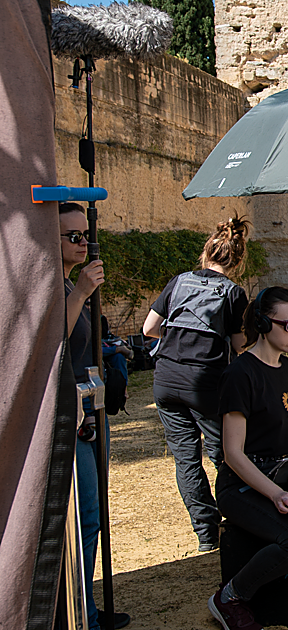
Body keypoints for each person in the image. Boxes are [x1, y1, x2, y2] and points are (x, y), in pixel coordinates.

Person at [208, 287, 288, 630]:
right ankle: (230, 597)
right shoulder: (240, 374)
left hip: (284, 474)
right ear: (264, 324)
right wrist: (275, 494)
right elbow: (232, 454)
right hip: (242, 485)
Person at [141, 216, 251, 552]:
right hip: (204, 381)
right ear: (238, 261)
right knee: (225, 454)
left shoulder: (179, 282)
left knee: (186, 459)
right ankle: (238, 519)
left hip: (166, 378)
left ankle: (205, 534)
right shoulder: (233, 292)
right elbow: (238, 344)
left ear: (207, 253)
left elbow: (149, 329)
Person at [59, 203, 131, 630]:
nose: (84, 242)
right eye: (73, 236)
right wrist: (83, 293)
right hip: (68, 415)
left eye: (86, 234)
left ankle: (83, 605)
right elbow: (51, 339)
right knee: (85, 516)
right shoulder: (56, 285)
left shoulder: (70, 282)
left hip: (90, 409)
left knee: (94, 515)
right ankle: (79, 612)